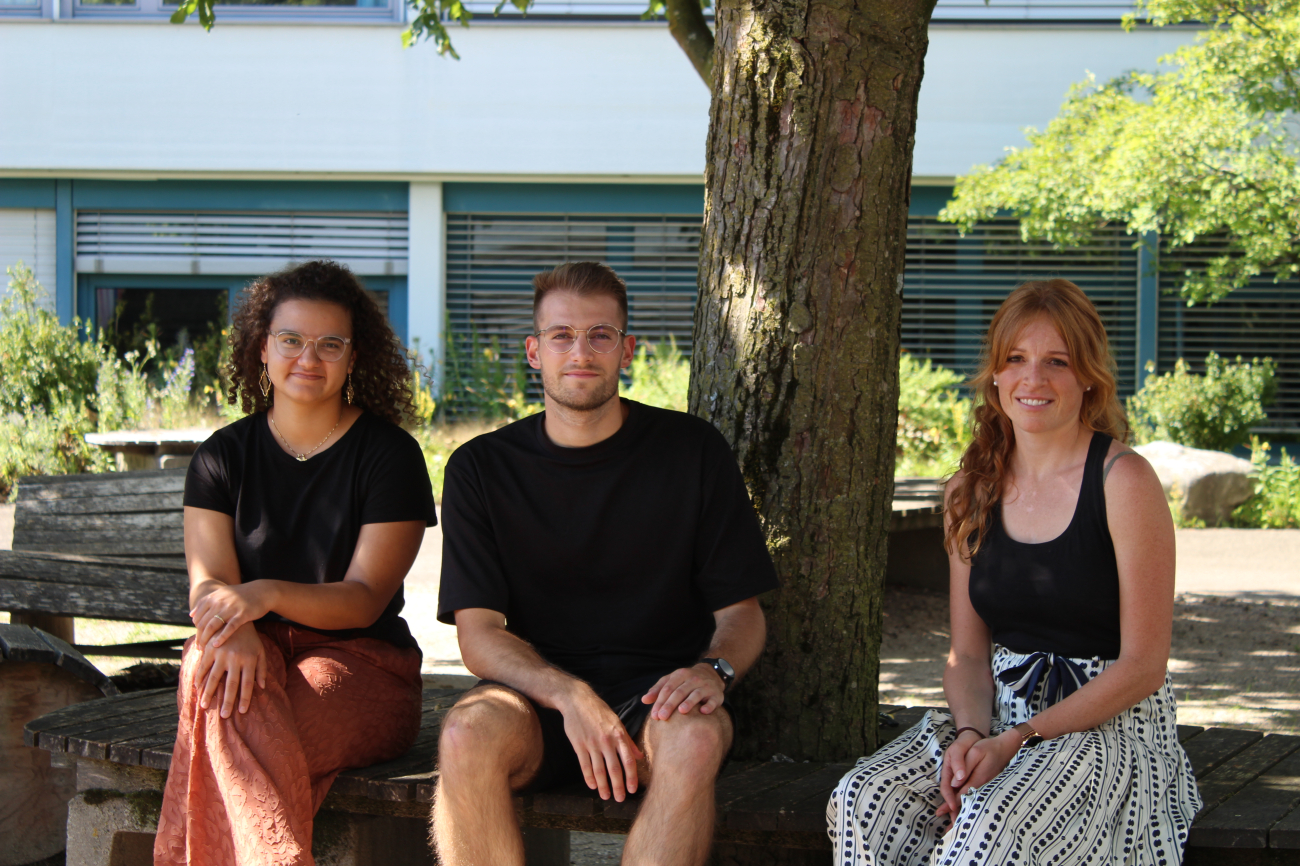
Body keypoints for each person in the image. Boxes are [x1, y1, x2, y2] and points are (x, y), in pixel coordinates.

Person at [827, 279, 1202, 865]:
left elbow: (1143, 667)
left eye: (1057, 361)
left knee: (989, 821)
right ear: (996, 375)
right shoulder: (969, 492)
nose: (1034, 379)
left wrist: (1017, 742)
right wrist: (974, 736)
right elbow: (968, 657)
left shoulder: (1124, 482)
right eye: (1016, 359)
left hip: (1106, 727)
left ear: (1087, 377)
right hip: (997, 714)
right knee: (865, 798)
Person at [432, 261, 778, 866]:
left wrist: (712, 672)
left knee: (695, 741)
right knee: (465, 735)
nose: (581, 351)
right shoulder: (480, 468)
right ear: (535, 352)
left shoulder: (692, 452)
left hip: (658, 697)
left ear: (627, 349)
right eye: (562, 336)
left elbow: (741, 614)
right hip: (533, 701)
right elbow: (479, 636)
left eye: (600, 334)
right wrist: (569, 695)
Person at [154, 260, 438, 866]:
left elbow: (363, 595)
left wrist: (261, 597)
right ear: (263, 349)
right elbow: (208, 584)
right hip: (244, 649)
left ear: (354, 358)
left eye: (329, 344)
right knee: (220, 677)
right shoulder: (220, 458)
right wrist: (237, 629)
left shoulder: (390, 456)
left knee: (226, 736)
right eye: (290, 340)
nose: (308, 358)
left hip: (362, 666)